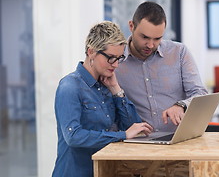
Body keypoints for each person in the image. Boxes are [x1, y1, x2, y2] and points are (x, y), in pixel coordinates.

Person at [52, 21, 153, 177]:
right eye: (111, 58)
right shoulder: (69, 87)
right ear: (91, 52)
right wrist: (122, 135)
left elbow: (134, 126)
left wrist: (116, 91)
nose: (116, 65)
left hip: (103, 170)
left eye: (119, 58)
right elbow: (73, 137)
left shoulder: (107, 84)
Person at [116, 1, 208, 132]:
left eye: (157, 38)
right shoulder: (116, 61)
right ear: (131, 26)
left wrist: (181, 105)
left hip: (178, 138)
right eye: (145, 37)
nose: (151, 45)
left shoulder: (179, 52)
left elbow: (200, 93)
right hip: (139, 141)